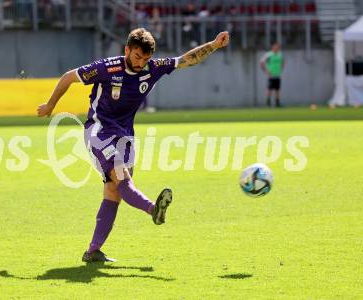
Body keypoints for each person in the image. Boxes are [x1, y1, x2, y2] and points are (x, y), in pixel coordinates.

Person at [37, 28, 230, 263]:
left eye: (146, 59)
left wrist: (214, 44)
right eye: (137, 57)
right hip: (99, 132)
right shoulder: (108, 68)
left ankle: (93, 251)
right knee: (123, 180)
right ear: (127, 50)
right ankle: (153, 210)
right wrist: (50, 105)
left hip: (125, 137)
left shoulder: (152, 68)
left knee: (114, 191)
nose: (141, 63)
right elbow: (69, 77)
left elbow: (186, 59)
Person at [260, 43, 284, 107]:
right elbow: (261, 62)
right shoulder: (269, 55)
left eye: (277, 47)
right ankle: (268, 103)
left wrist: (281, 69)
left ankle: (277, 103)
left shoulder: (280, 54)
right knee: (269, 89)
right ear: (272, 47)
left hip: (277, 75)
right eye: (275, 47)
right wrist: (266, 71)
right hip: (271, 76)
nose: (276, 48)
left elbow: (282, 62)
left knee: (277, 90)